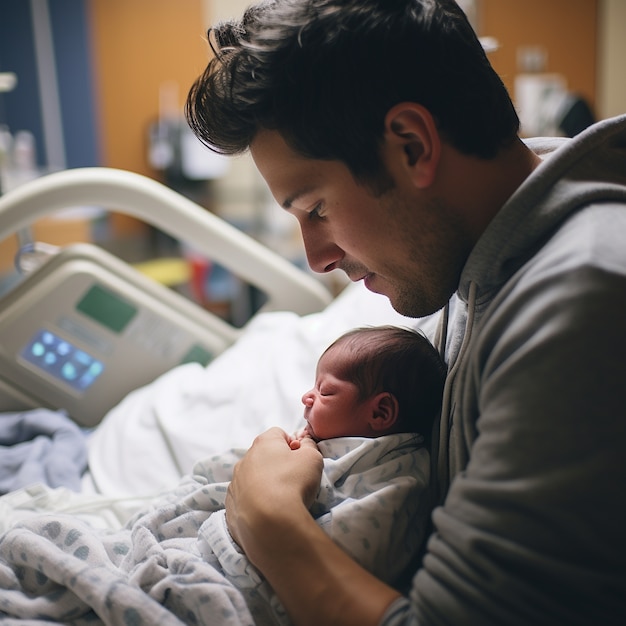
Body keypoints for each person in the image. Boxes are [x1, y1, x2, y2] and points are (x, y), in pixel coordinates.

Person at [184, 1, 626, 624]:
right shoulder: (485, 256)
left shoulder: (579, 305)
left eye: (316, 209)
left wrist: (270, 522)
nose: (316, 257)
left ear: (413, 145)